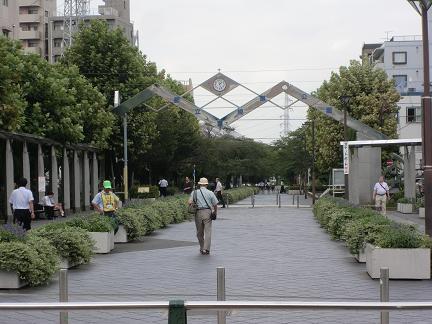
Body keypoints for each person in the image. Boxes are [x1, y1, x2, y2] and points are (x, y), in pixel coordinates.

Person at [188, 177, 218, 255]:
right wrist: (215, 213)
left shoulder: (194, 192)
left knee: (199, 232)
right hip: (207, 212)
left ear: (199, 184)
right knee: (208, 231)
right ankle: (206, 249)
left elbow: (189, 202)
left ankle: (201, 247)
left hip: (198, 212)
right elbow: (215, 204)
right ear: (206, 185)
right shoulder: (210, 193)